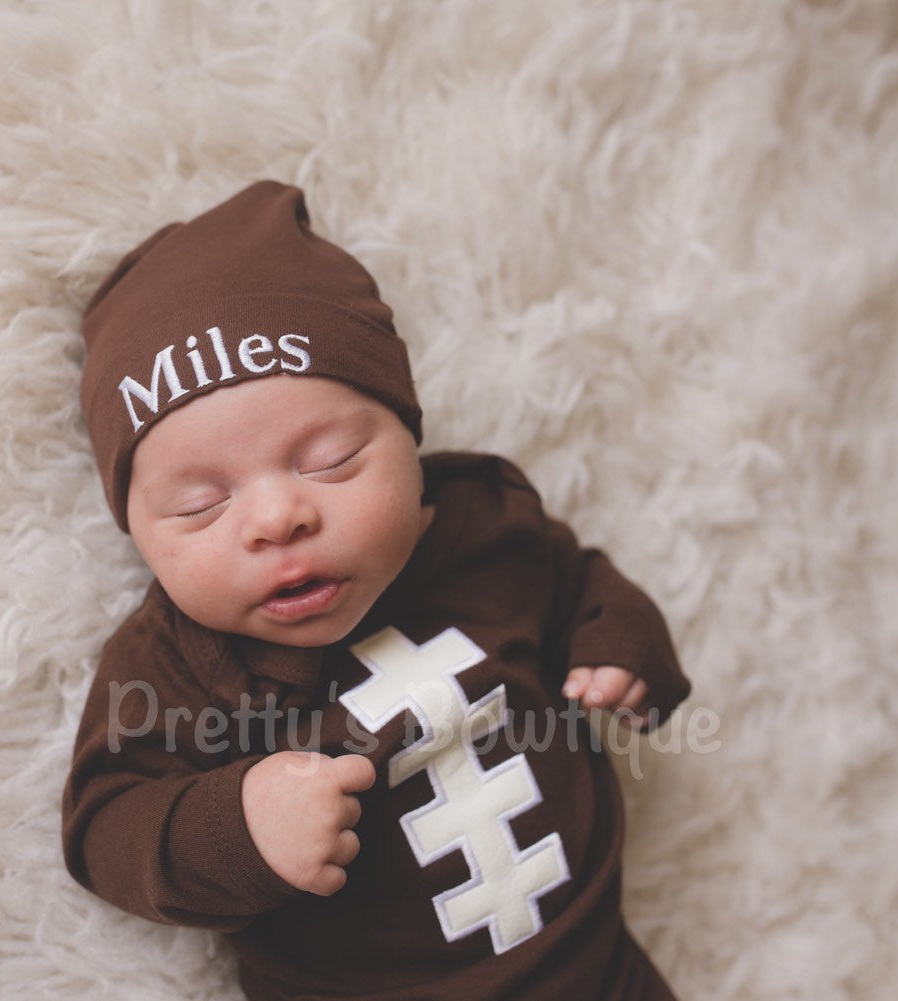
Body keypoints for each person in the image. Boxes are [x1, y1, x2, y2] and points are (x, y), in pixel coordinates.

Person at [62, 180, 691, 1000]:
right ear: (138, 533)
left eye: (328, 459)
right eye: (200, 505)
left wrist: (622, 648)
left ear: (406, 430)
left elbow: (582, 583)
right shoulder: (176, 661)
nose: (279, 516)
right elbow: (105, 824)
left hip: (597, 965)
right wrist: (240, 826)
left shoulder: (485, 524)